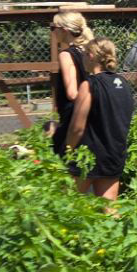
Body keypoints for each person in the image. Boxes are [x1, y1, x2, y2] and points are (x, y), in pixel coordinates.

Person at [64, 38, 137, 201]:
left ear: (91, 56)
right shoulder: (124, 84)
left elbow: (77, 128)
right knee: (110, 210)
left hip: (88, 156)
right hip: (114, 154)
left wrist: (67, 150)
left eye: (83, 55)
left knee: (69, 205)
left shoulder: (89, 84)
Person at [48, 8, 96, 160]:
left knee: (66, 161)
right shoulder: (89, 52)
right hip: (92, 115)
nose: (52, 31)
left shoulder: (66, 55)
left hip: (73, 116)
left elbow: (72, 92)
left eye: (53, 28)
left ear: (64, 30)